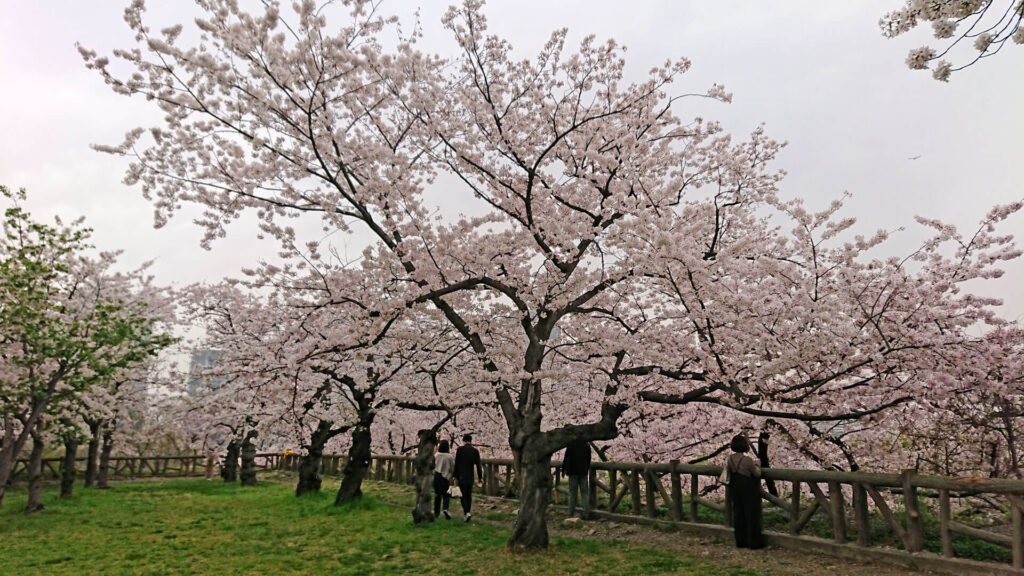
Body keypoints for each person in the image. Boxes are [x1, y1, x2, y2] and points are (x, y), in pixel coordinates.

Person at [726, 434, 763, 549]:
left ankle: (740, 541)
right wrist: (757, 465)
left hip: (735, 487)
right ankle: (753, 542)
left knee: (738, 513)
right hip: (747, 488)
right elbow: (757, 473)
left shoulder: (730, 459)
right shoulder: (747, 460)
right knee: (751, 513)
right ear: (745, 446)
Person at [453, 433, 483, 522]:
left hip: (461, 476)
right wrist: (480, 477)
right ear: (471, 441)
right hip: (470, 476)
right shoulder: (475, 451)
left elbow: (457, 463)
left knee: (462, 495)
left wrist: (454, 475)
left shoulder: (460, 450)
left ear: (464, 441)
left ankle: (466, 512)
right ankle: (468, 512)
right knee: (468, 495)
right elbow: (478, 465)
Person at [561, 439, 592, 519]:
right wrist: (586, 469)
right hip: (583, 472)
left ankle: (570, 514)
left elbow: (566, 457)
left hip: (573, 472)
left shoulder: (571, 444)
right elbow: (589, 460)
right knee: (584, 493)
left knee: (572, 493)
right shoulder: (587, 445)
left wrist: (563, 470)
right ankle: (586, 514)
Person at [433, 439, 456, 520]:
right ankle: (445, 509)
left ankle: (436, 512)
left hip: (437, 477)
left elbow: (432, 466)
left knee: (437, 495)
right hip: (446, 478)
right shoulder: (449, 456)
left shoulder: (436, 455)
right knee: (446, 495)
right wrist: (451, 475)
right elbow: (453, 468)